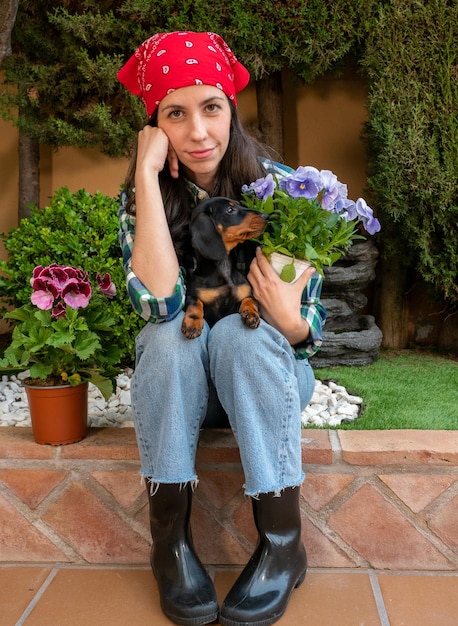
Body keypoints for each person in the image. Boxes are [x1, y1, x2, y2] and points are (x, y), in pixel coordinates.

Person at [117, 31, 327, 626]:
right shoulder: (144, 197)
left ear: (232, 109)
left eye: (211, 107)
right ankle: (171, 547)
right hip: (182, 388)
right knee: (165, 336)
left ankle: (283, 547)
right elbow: (159, 303)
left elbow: (304, 330)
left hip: (262, 374)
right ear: (155, 126)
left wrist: (288, 320)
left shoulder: (284, 190)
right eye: (174, 114)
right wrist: (148, 175)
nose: (198, 131)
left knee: (241, 333)